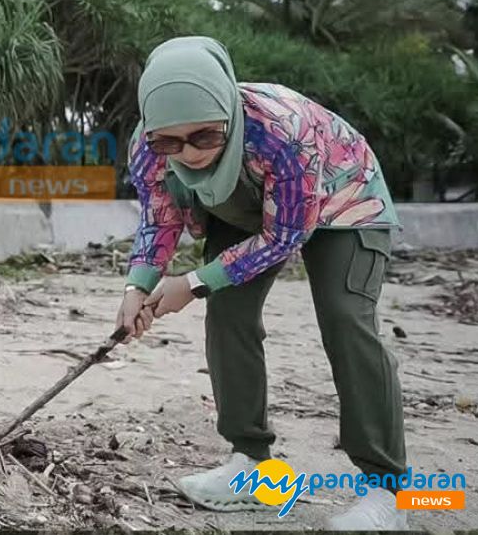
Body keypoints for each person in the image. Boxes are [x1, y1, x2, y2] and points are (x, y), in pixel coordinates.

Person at [116, 36, 406, 530]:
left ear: (228, 113)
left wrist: (192, 281)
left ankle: (389, 492)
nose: (187, 153)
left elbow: (284, 236)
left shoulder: (281, 132)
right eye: (170, 141)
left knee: (344, 318)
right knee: (228, 312)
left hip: (343, 199)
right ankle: (254, 469)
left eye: (204, 137)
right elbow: (159, 218)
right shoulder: (148, 148)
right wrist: (137, 287)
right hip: (244, 206)